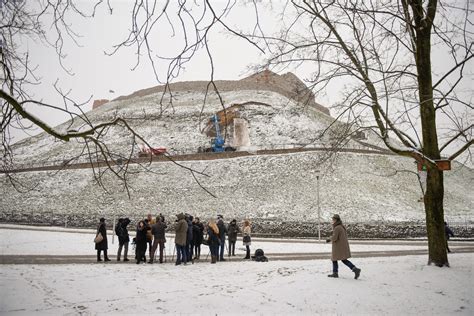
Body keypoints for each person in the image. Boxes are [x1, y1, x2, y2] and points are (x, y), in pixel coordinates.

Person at [326, 214, 361, 279]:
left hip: (338, 247)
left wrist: (329, 239)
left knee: (334, 259)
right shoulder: (341, 226)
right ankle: (355, 269)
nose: (332, 221)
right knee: (343, 259)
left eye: (333, 219)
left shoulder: (337, 228)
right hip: (342, 246)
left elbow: (335, 238)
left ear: (336, 220)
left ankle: (335, 273)